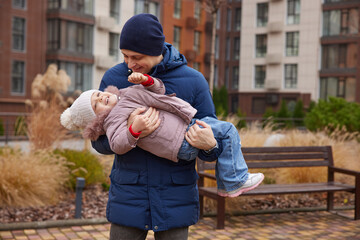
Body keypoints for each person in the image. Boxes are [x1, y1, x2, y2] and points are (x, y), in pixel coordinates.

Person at [82, 13, 226, 239]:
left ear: (156, 49)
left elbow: (213, 142)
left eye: (136, 57)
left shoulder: (194, 81)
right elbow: (98, 141)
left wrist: (210, 145)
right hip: (129, 195)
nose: (130, 64)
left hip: (175, 196)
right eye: (125, 56)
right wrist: (132, 132)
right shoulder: (115, 78)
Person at [60, 72, 264, 196]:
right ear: (96, 119)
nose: (101, 98)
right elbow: (117, 144)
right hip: (179, 141)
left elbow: (159, 90)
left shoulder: (126, 93)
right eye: (96, 104)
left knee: (225, 133)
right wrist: (135, 130)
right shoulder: (112, 120)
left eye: (98, 94)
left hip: (187, 125)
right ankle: (233, 181)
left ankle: (231, 182)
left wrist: (147, 80)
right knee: (228, 129)